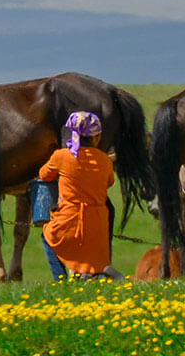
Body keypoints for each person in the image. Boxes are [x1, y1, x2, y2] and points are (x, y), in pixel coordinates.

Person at [38, 111, 123, 280]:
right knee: (95, 255)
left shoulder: (61, 156)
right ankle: (94, 274)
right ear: (96, 137)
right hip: (98, 223)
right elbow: (109, 182)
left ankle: (60, 278)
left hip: (69, 219)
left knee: (48, 236)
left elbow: (44, 174)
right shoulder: (105, 160)